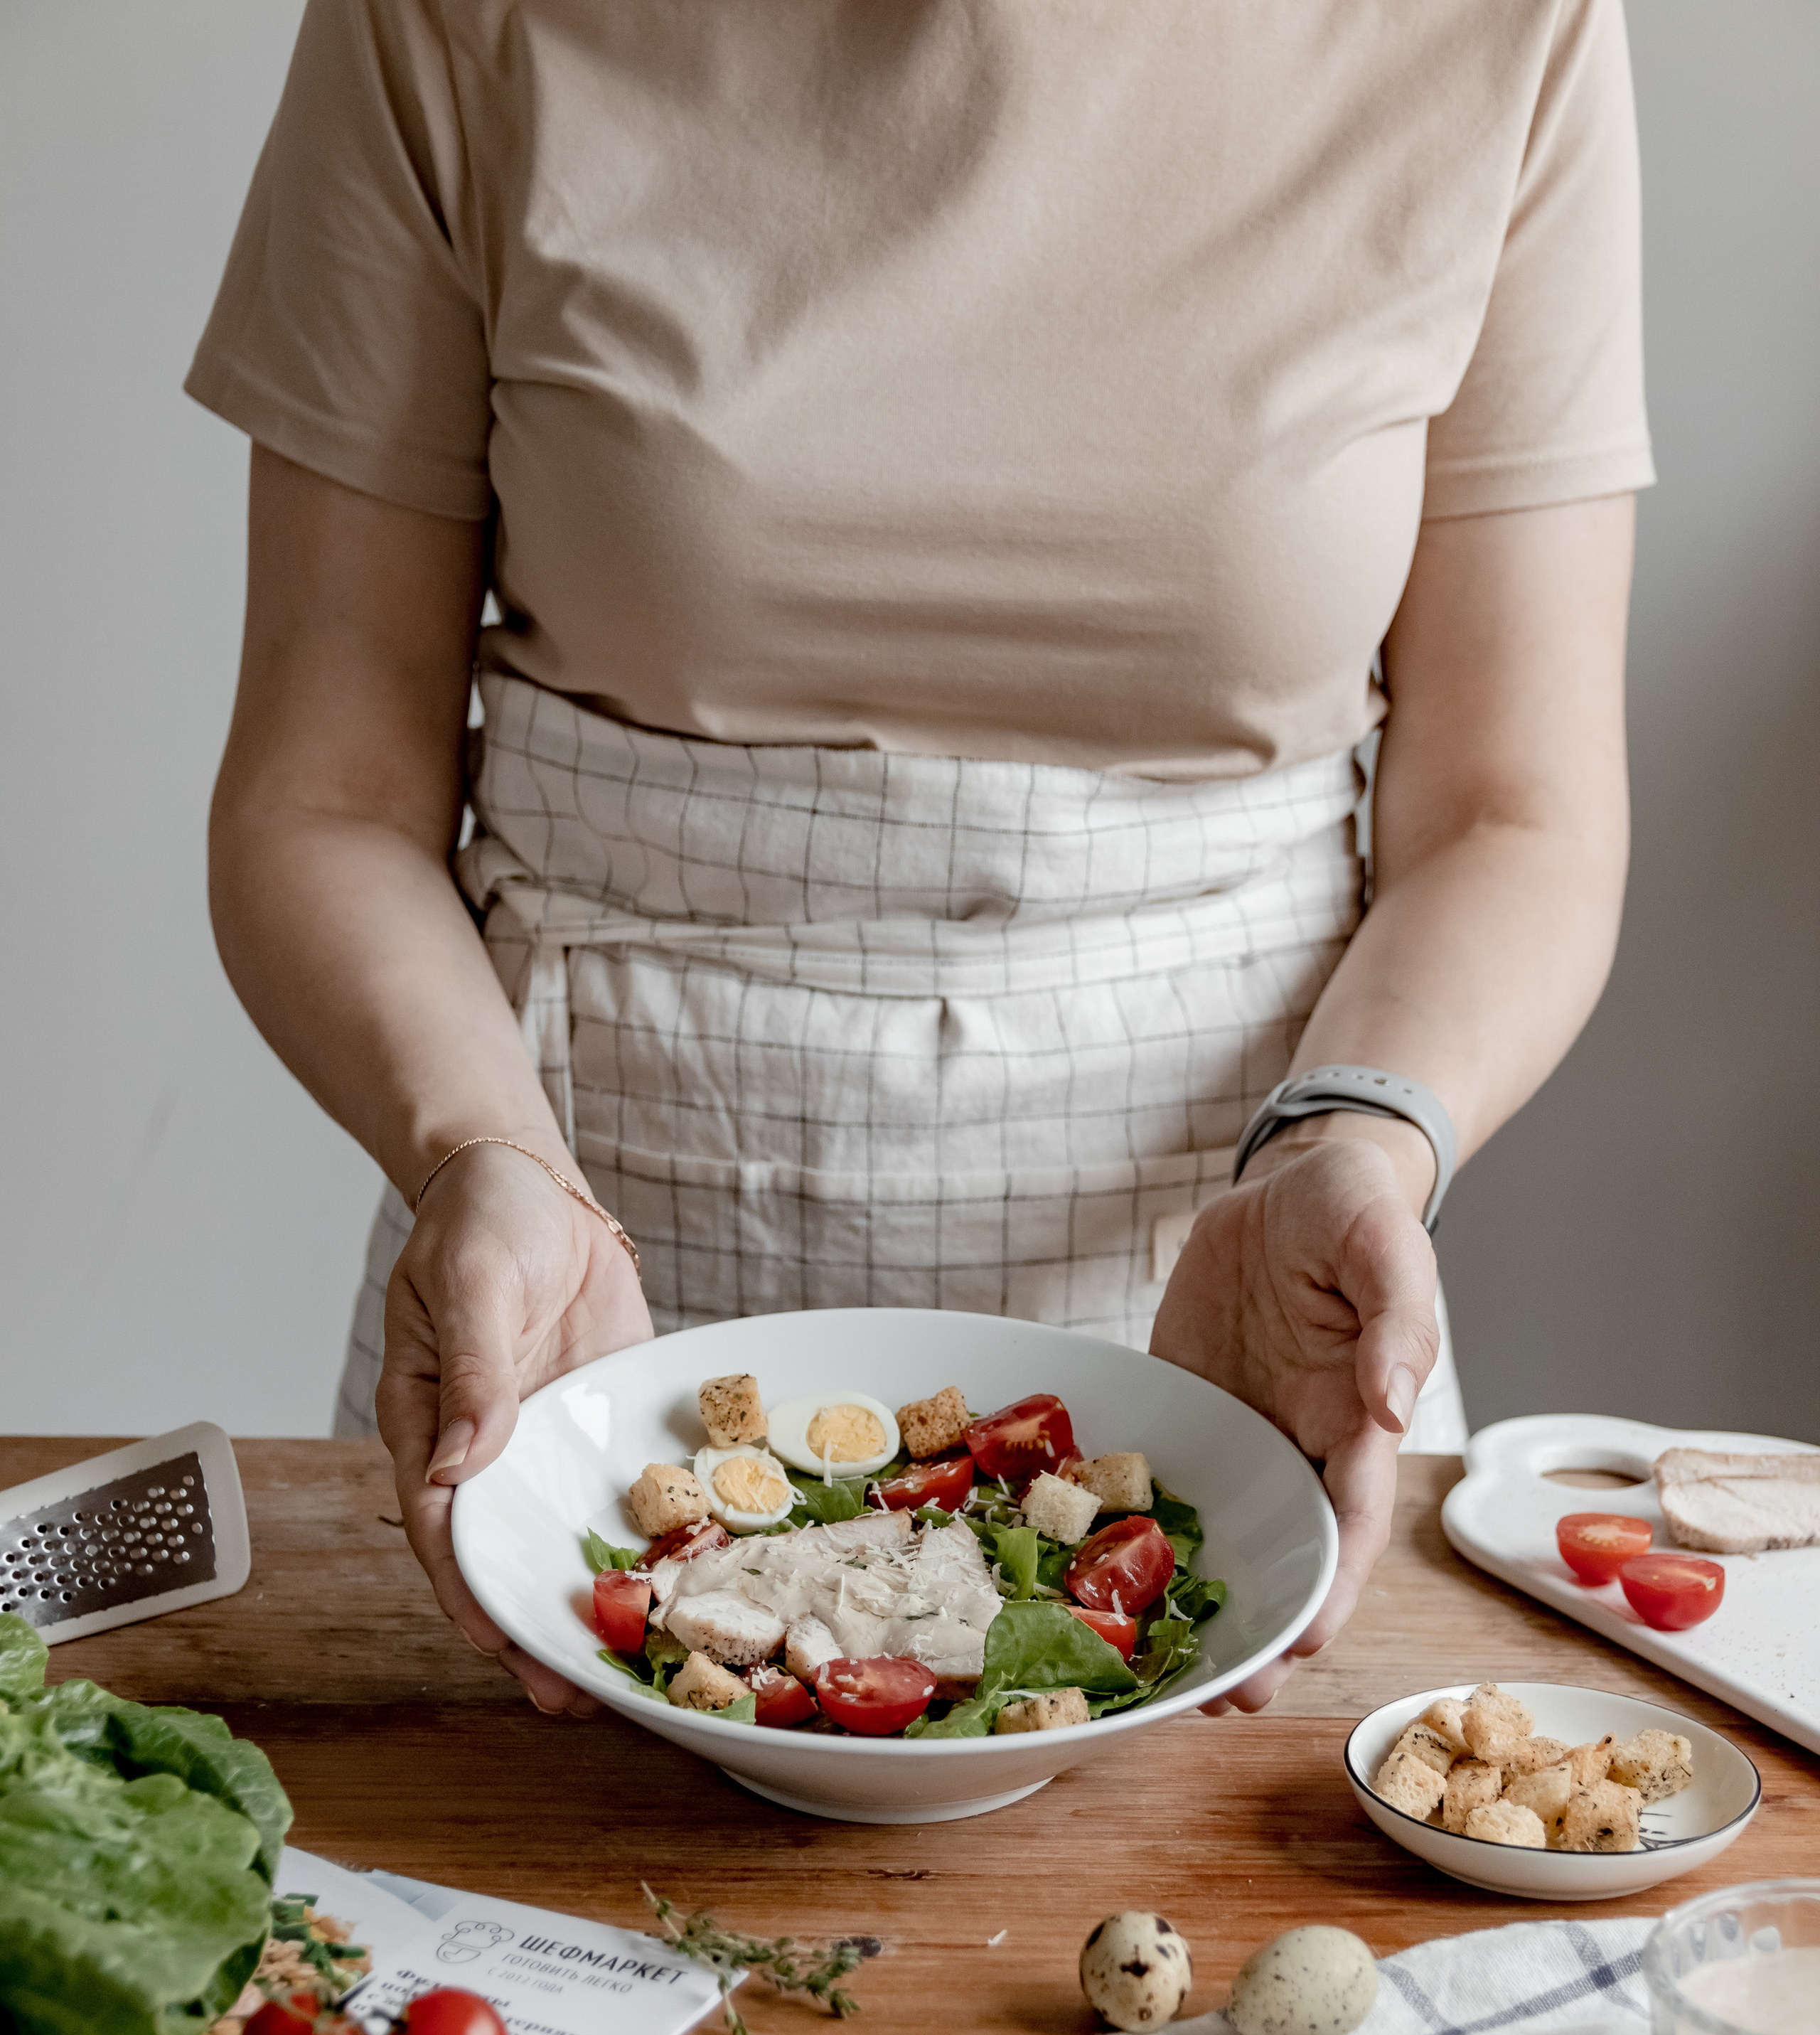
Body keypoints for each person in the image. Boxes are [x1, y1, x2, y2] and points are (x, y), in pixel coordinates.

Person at [190, 0, 1649, 1716]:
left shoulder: (1501, 28)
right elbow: (324, 794)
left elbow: (1510, 810)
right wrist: (477, 1159)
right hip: (571, 1287)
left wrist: (1359, 1138)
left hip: (1256, 1290)